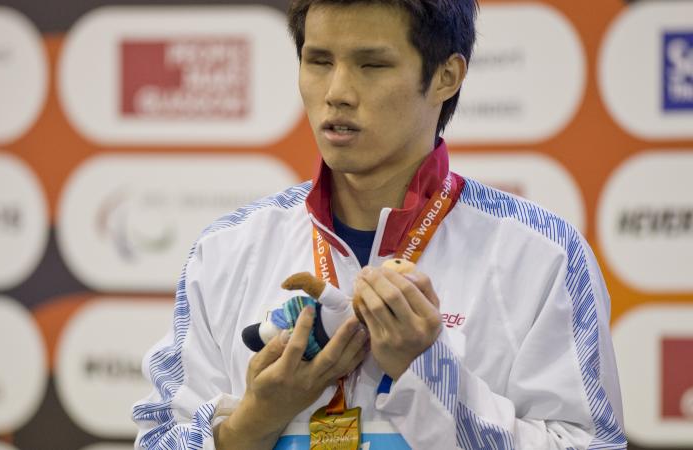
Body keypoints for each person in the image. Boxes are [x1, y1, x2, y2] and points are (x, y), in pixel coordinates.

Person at [132, 0, 627, 448]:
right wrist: (249, 425)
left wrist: (427, 373)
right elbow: (156, 438)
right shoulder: (227, 249)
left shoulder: (542, 255)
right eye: (318, 61)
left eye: (372, 64)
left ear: (446, 76)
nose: (337, 93)